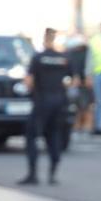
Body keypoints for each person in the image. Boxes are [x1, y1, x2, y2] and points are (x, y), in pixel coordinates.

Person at [19, 28, 74, 186]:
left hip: (42, 101)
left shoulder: (38, 58)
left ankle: (33, 174)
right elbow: (72, 80)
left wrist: (33, 91)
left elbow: (29, 80)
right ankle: (53, 174)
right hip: (60, 101)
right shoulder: (64, 58)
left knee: (32, 136)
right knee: (55, 136)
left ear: (45, 39)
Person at [65, 33, 92, 133]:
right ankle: (77, 124)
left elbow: (89, 66)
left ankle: (86, 125)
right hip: (75, 83)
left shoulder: (87, 52)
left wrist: (87, 78)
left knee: (85, 105)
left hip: (85, 82)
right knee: (76, 105)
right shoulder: (71, 53)